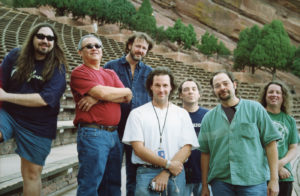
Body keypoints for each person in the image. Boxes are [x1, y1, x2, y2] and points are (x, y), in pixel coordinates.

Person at [0, 23, 67, 195]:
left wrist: (5, 96)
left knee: (31, 174)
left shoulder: (57, 66)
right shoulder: (15, 55)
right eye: (41, 36)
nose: (45, 40)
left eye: (50, 38)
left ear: (54, 42)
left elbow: (45, 99)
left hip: (38, 124)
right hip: (9, 114)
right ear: (32, 37)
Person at [198, 71, 281, 196]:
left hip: (253, 182)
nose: (222, 88)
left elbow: (271, 144)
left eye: (225, 83)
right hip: (221, 183)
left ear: (234, 85)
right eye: (217, 86)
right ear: (214, 90)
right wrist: (204, 186)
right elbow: (205, 153)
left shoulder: (255, 109)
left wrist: (274, 180)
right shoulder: (208, 118)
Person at [70, 34, 132, 196]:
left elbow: (128, 95)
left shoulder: (110, 73)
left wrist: (96, 97)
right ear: (80, 52)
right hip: (93, 134)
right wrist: (103, 93)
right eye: (89, 46)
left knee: (112, 185)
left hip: (114, 136)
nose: (94, 48)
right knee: (90, 184)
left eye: (97, 46)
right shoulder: (79, 72)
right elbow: (105, 91)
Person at [122, 66, 199, 195]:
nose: (161, 89)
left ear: (171, 87)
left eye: (165, 85)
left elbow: (187, 148)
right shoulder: (137, 114)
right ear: (151, 87)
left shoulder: (182, 114)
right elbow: (138, 149)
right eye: (157, 85)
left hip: (176, 173)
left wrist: (167, 171)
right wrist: (168, 165)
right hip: (147, 173)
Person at [103, 32, 154, 196]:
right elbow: (102, 91)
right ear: (130, 45)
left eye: (144, 48)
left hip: (138, 132)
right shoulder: (111, 66)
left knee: (134, 175)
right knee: (112, 174)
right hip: (114, 129)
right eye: (138, 46)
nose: (140, 50)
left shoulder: (150, 72)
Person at [259, 81, 299, 196]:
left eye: (278, 92)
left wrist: (280, 164)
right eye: (270, 92)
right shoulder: (259, 116)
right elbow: (256, 147)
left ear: (283, 96)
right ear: (265, 96)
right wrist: (275, 168)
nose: (274, 95)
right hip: (263, 175)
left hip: (285, 176)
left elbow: (293, 148)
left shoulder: (289, 120)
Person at [178, 79, 210, 196]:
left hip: (204, 174)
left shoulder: (208, 115)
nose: (190, 92)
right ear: (180, 95)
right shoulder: (174, 115)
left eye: (193, 89)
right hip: (180, 173)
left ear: (199, 94)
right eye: (186, 90)